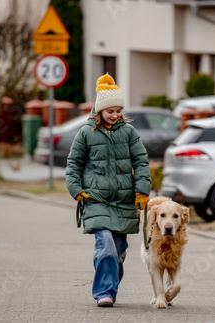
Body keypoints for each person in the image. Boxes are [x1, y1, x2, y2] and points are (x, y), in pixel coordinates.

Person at [66, 73, 151, 307]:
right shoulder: (86, 133)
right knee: (106, 246)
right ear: (99, 110)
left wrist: (142, 190)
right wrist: (76, 189)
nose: (114, 115)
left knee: (119, 251)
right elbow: (74, 163)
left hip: (124, 201)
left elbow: (141, 162)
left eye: (118, 111)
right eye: (109, 111)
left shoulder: (129, 133)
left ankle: (109, 285)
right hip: (97, 200)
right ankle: (105, 292)